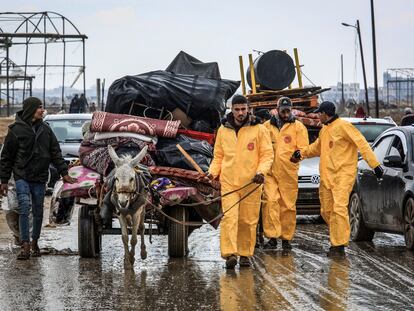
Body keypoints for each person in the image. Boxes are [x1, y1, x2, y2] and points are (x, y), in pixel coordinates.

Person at [291, 101, 383, 257]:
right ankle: (337, 239)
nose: (317, 115)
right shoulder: (325, 130)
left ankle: (338, 246)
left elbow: (361, 143)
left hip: (343, 176)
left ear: (326, 113)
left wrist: (375, 165)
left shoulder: (344, 126)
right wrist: (301, 154)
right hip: (327, 177)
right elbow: (316, 148)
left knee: (339, 209)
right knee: (326, 211)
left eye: (319, 113)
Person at [0, 97, 76, 260]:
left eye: (42, 107)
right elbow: (6, 157)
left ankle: (35, 242)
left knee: (37, 210)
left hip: (40, 177)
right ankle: (25, 245)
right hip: (22, 176)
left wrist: (65, 173)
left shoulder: (46, 129)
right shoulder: (15, 130)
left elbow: (55, 152)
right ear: (31, 109)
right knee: (24, 208)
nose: (43, 110)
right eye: (39, 107)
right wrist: (4, 181)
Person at [208, 94, 273, 268]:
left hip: (251, 183)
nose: (240, 113)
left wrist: (261, 172)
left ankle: (245, 254)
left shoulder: (259, 129)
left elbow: (267, 155)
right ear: (232, 109)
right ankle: (230, 254)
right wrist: (212, 173)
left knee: (248, 220)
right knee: (230, 218)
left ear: (248, 109)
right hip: (229, 182)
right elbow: (218, 156)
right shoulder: (223, 130)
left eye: (243, 109)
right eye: (237, 109)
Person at [262, 97, 309, 250]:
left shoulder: (299, 127)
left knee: (288, 206)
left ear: (291, 109)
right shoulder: (266, 127)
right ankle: (273, 237)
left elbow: (304, 148)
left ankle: (286, 238)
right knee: (270, 203)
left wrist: (298, 154)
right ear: (277, 110)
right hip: (270, 173)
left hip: (289, 173)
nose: (286, 113)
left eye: (288, 110)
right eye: (283, 111)